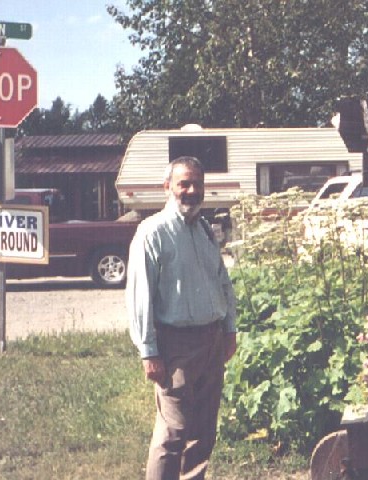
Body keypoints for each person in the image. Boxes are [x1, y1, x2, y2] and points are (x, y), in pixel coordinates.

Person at [125, 156, 237, 480]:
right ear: (167, 187)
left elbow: (221, 282)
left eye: (197, 184)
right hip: (175, 346)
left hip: (211, 340)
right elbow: (140, 296)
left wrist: (229, 330)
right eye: (184, 183)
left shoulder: (203, 229)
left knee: (203, 432)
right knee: (172, 433)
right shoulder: (152, 232)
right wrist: (149, 352)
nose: (191, 190)